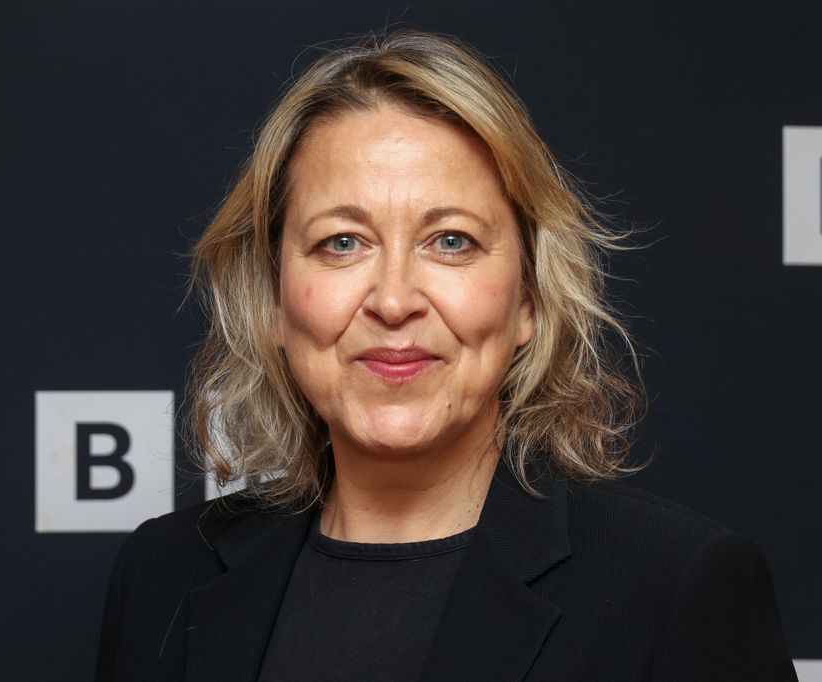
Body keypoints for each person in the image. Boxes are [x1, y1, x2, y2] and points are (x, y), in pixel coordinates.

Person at [95, 31, 796, 681]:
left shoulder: (675, 587)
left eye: (451, 241)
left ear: (527, 299)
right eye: (342, 242)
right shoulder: (162, 576)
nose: (394, 300)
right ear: (275, 298)